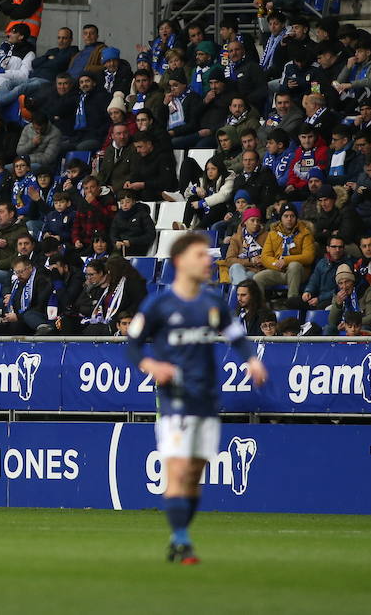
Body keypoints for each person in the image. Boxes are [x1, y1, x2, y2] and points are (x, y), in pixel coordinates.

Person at [127, 232, 267, 565]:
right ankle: (182, 540)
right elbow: (132, 345)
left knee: (194, 473)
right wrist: (150, 363)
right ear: (180, 262)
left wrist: (251, 358)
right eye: (201, 255)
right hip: (174, 399)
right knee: (177, 470)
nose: (209, 261)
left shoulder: (213, 303)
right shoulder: (158, 305)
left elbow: (237, 336)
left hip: (206, 399)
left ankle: (179, 537)